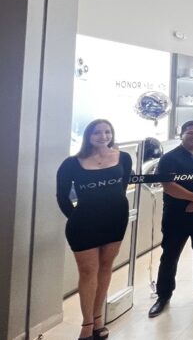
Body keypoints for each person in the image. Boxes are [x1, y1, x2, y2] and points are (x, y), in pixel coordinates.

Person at [56, 119, 132, 340]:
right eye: (97, 132)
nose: (103, 136)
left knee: (106, 268)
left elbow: (122, 187)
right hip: (84, 224)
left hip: (115, 220)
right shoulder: (71, 163)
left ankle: (98, 319)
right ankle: (87, 323)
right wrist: (77, 218)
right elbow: (62, 197)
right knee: (88, 272)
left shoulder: (124, 158)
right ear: (88, 136)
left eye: (107, 132)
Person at [148, 121, 193, 318]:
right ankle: (163, 295)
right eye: (191, 133)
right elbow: (168, 185)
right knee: (170, 255)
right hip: (176, 215)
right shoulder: (169, 158)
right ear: (182, 135)